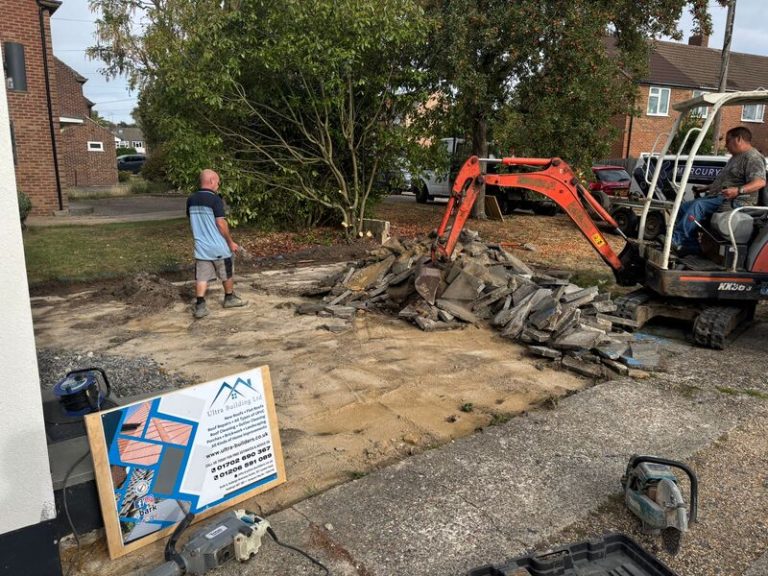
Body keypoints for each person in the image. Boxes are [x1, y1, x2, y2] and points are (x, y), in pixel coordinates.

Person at [670, 126, 766, 255]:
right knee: (683, 207)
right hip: (720, 197)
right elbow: (727, 181)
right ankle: (689, 244)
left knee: (698, 205)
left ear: (739, 139)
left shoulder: (752, 157)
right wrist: (708, 187)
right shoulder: (735, 157)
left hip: (737, 201)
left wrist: (738, 191)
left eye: (728, 141)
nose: (726, 145)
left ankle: (677, 240)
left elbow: (760, 182)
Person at [186, 169, 246, 318]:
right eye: (218, 182)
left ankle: (200, 305)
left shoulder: (191, 199)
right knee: (226, 272)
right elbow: (220, 223)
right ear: (212, 181)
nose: (218, 185)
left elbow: (192, 220)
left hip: (201, 247)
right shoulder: (215, 200)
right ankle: (229, 298)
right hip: (218, 246)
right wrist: (230, 242)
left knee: (201, 277)